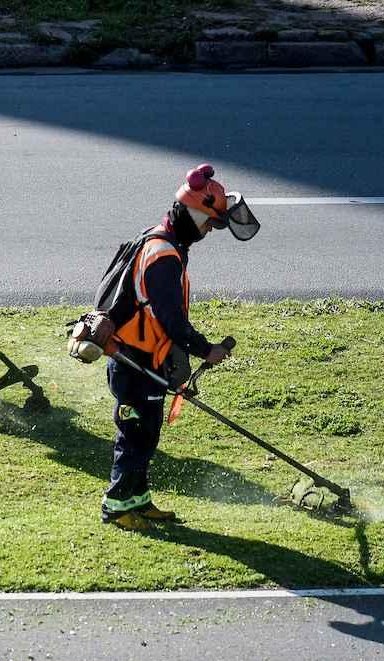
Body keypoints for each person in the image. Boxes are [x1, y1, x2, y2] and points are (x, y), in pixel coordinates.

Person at [102, 164, 259, 530]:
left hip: (145, 359)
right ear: (192, 212)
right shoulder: (163, 257)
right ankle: (116, 506)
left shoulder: (166, 241)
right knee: (135, 434)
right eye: (208, 222)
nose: (208, 230)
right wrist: (207, 350)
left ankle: (138, 500)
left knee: (148, 430)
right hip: (134, 361)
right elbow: (172, 321)